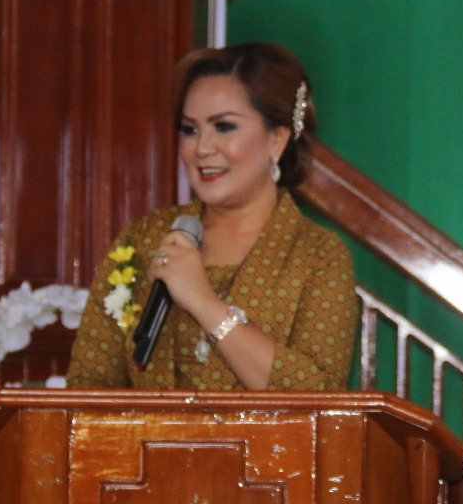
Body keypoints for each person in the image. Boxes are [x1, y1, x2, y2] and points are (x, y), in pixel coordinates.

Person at [66, 43, 358, 391]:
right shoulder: (144, 237)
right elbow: (88, 384)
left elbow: (322, 399)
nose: (202, 148)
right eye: (190, 130)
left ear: (276, 140)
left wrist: (203, 301)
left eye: (224, 127)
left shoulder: (319, 255)